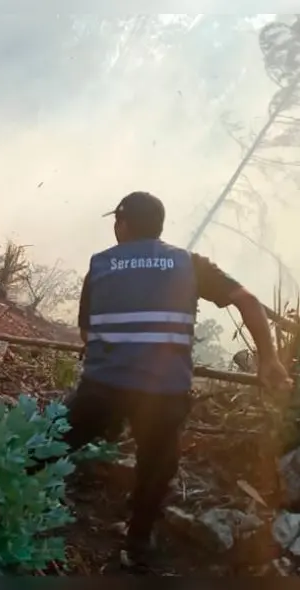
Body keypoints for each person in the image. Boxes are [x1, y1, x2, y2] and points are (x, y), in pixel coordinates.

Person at [66, 191, 293, 570]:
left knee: (53, 440)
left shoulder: (101, 265)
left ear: (121, 223)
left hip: (102, 389)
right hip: (163, 393)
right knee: (157, 465)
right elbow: (249, 301)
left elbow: (88, 334)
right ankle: (137, 544)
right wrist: (268, 361)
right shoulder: (188, 264)